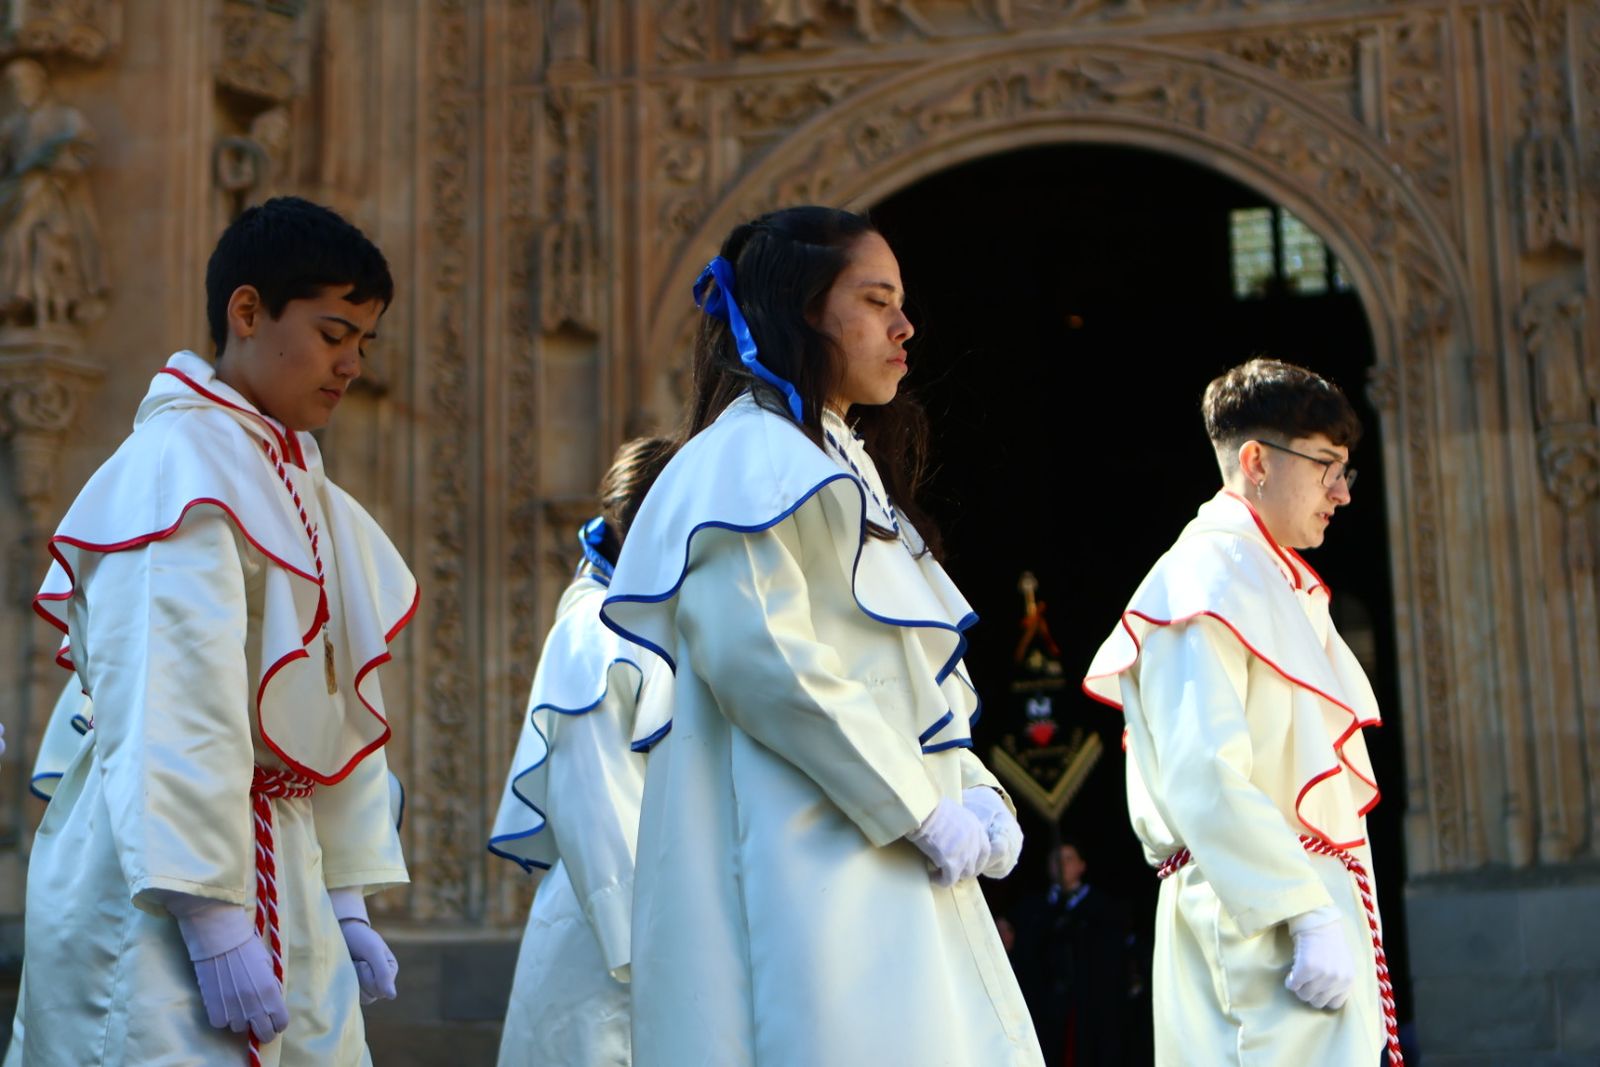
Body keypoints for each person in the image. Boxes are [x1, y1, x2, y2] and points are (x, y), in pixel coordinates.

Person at [600, 205, 1042, 1065]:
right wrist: (917, 805)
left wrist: (975, 787)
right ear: (802, 311)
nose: (904, 325)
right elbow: (767, 662)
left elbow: (907, 679)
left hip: (889, 840)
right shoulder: (748, 458)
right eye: (876, 301)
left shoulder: (838, 458)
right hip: (805, 854)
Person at [26, 196, 417, 1067]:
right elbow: (171, 697)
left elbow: (336, 706)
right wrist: (211, 917)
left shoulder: (301, 481)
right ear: (247, 312)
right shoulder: (179, 467)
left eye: (365, 340)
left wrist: (345, 897)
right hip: (164, 893)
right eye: (331, 332)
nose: (352, 363)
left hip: (287, 867)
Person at [1083, 358, 1402, 1066]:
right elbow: (1205, 771)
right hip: (1257, 920)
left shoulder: (1262, 575)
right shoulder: (1206, 575)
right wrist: (1304, 908)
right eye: (1326, 466)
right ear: (1256, 460)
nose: (1342, 493)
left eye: (1346, 470)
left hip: (1289, 910)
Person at [489, 436, 675, 1067]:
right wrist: (654, 960)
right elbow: (596, 801)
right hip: (615, 956)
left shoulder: (657, 625)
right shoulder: (595, 628)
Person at [1010, 841, 1132, 1067]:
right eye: (1055, 859)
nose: (1061, 864)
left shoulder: (1103, 909)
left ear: (1081, 866)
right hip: (1048, 1009)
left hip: (1092, 1008)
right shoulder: (1033, 909)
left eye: (1068, 858)